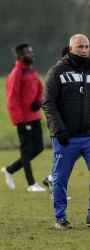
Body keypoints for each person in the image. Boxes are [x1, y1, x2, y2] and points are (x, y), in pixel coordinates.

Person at [42, 34, 90, 230]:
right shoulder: (56, 72)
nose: (84, 50)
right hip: (66, 137)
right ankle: (61, 218)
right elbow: (48, 103)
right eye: (80, 46)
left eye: (87, 46)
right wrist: (59, 128)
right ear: (71, 48)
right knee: (61, 178)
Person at [1, 44, 46, 192]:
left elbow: (40, 88)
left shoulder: (32, 71)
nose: (31, 54)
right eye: (28, 53)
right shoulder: (16, 74)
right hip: (23, 119)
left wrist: (38, 101)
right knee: (26, 150)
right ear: (20, 56)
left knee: (38, 147)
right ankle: (31, 184)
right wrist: (18, 121)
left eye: (32, 52)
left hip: (35, 117)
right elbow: (11, 100)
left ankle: (10, 170)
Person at [42, 45, 78, 199]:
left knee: (72, 154)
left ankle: (51, 180)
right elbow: (50, 102)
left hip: (75, 124)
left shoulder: (76, 72)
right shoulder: (57, 72)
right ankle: (54, 186)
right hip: (61, 124)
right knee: (62, 156)